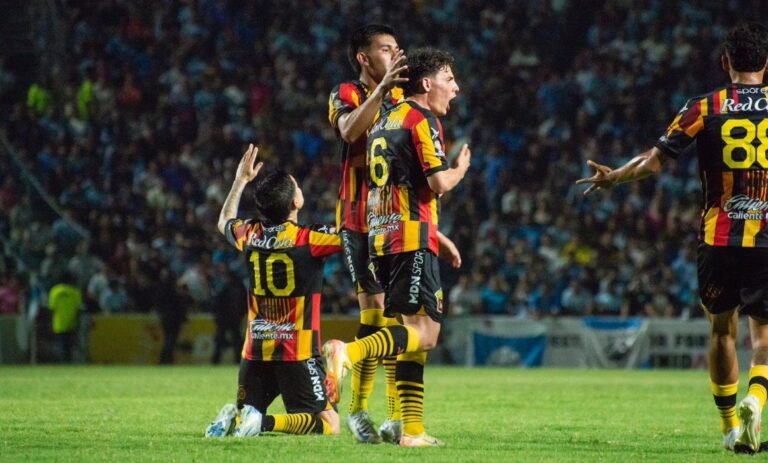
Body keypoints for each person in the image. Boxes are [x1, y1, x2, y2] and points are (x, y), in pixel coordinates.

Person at [576, 23, 768, 454]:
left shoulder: (704, 106)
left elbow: (653, 161)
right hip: (766, 239)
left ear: (725, 62)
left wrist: (614, 178)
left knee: (722, 332)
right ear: (767, 64)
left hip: (717, 238)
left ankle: (729, 428)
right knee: (764, 338)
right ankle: (757, 400)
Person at [324, 47, 470, 447]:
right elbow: (438, 184)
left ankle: (412, 432)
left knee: (411, 340)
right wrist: (460, 169)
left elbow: (392, 185)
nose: (456, 88)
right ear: (426, 83)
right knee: (426, 334)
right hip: (409, 239)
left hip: (382, 236)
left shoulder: (384, 120)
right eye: (449, 79)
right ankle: (347, 354)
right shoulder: (421, 119)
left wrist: (436, 235)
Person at [206, 144, 341, 438]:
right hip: (297, 352)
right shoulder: (310, 239)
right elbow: (353, 236)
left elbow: (223, 221)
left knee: (248, 412)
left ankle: (237, 419)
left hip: (255, 351)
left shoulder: (251, 234)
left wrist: (240, 180)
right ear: (296, 202)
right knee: (330, 424)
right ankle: (262, 423)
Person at [327, 23, 408, 443]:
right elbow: (349, 130)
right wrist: (383, 91)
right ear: (364, 57)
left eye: (397, 48)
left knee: (395, 318)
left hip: (396, 217)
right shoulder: (346, 92)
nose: (396, 54)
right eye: (386, 49)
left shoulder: (402, 97)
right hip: (359, 216)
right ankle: (359, 411)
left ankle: (393, 417)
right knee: (376, 315)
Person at [47, 272, 83, 363]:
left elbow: (51, 308)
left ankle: (64, 361)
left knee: (62, 343)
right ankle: (68, 360)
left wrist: (50, 321)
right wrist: (78, 322)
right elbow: (78, 309)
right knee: (70, 344)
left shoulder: (54, 291)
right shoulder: (75, 292)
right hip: (71, 322)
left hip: (59, 322)